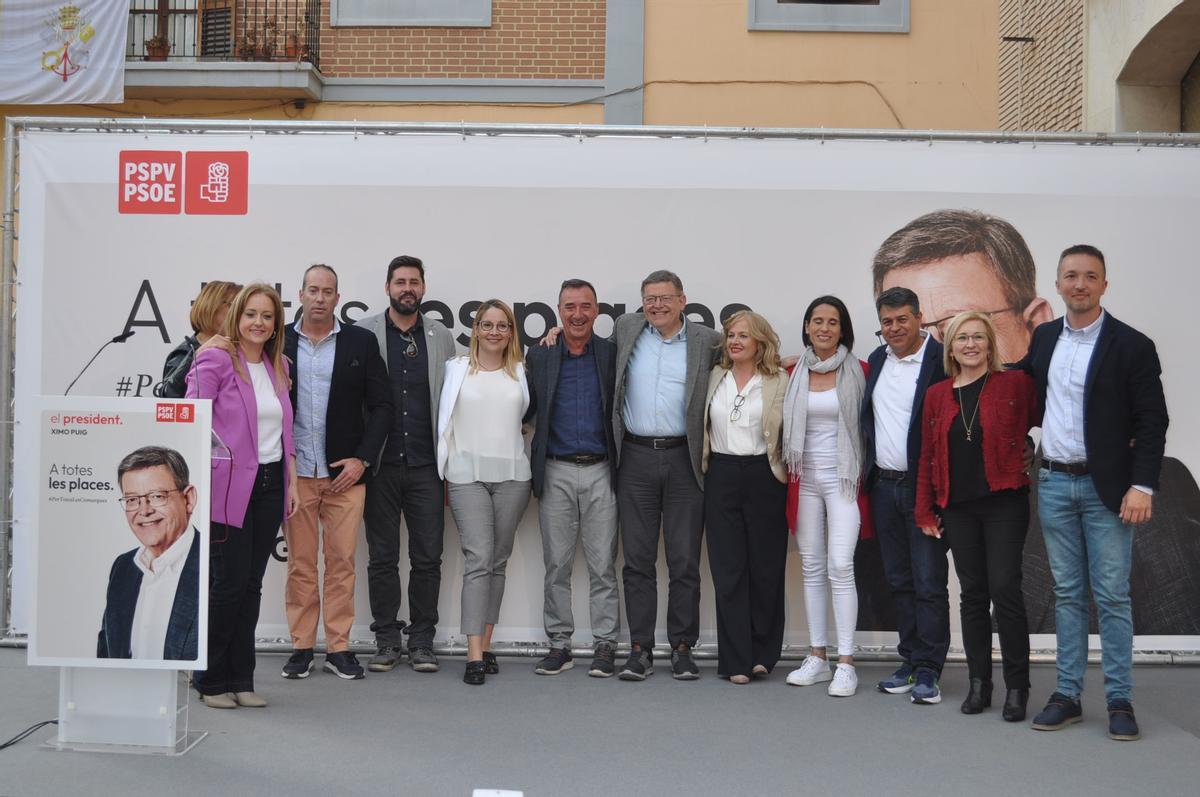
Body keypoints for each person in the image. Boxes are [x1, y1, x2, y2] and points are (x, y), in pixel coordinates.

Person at [872, 210, 1199, 639]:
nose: (945, 347)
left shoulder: (1161, 500)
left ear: (1034, 322)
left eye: (961, 325)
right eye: (916, 329)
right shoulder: (891, 383)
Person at [1019, 245, 1168, 742]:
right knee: (1067, 594)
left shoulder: (1132, 345)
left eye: (1090, 276)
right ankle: (1067, 695)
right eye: (1070, 276)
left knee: (1111, 597)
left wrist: (1141, 484)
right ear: (1057, 285)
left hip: (1110, 489)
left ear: (1105, 284)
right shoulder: (1043, 339)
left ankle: (1119, 700)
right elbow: (1018, 392)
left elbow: (1152, 421)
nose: (1079, 284)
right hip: (1055, 483)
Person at [915, 312, 1038, 721]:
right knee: (972, 595)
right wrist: (924, 507)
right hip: (958, 506)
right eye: (961, 338)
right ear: (950, 347)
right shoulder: (937, 394)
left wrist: (1032, 451)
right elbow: (928, 456)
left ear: (990, 344)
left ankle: (1017, 687)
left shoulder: (1015, 384)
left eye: (978, 337)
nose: (970, 344)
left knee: (1005, 588)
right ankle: (979, 683)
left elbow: (1047, 422)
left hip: (1004, 502)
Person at [187, 283, 298, 709]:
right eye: (250, 313)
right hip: (228, 487)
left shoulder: (279, 364)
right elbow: (192, 419)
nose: (258, 322)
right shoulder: (214, 358)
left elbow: (285, 431)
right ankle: (210, 679)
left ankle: (242, 678)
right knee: (227, 586)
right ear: (237, 317)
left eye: (266, 316)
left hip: (271, 485)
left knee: (251, 585)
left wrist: (290, 482)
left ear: (276, 324)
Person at [280, 264, 392, 681]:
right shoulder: (279, 341)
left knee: (342, 562)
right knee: (301, 565)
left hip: (346, 476)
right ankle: (301, 647)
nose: (321, 297)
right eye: (313, 290)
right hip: (296, 475)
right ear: (301, 294)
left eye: (328, 291)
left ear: (338, 298)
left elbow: (381, 406)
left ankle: (339, 647)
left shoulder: (360, 342)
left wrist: (363, 458)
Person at [613, 270, 722, 681]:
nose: (656, 305)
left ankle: (682, 647)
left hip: (684, 460)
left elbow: (747, 360)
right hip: (636, 459)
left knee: (684, 560)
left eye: (664, 298)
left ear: (682, 300)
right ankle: (640, 648)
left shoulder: (706, 340)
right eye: (649, 298)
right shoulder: (627, 328)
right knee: (637, 560)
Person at [359, 256, 457, 674]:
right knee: (382, 557)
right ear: (387, 287)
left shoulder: (441, 336)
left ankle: (421, 642)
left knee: (427, 558)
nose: (407, 289)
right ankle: (385, 639)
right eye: (400, 282)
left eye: (414, 282)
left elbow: (458, 394)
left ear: (423, 287)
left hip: (425, 467)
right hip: (379, 466)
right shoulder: (363, 334)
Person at [525, 279, 621, 677]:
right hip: (557, 469)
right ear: (558, 311)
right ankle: (559, 644)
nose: (577, 314)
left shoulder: (612, 354)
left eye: (585, 306)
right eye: (569, 307)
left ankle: (604, 645)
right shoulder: (540, 355)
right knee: (557, 566)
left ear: (597, 311)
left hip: (602, 469)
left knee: (603, 566)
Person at [860, 286, 950, 704]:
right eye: (887, 322)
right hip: (884, 485)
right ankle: (911, 661)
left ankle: (931, 668)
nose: (894, 328)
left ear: (920, 319)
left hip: (924, 488)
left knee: (929, 581)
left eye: (902, 320)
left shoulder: (943, 359)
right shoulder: (877, 360)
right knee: (898, 580)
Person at [437, 299, 532, 685]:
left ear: (511, 331)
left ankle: (487, 644)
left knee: (497, 560)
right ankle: (473, 652)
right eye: (486, 324)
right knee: (478, 558)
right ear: (475, 329)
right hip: (466, 475)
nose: (494, 332)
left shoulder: (522, 372)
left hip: (513, 476)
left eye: (502, 325)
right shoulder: (456, 369)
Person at [782, 297, 865, 698]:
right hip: (805, 479)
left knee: (840, 565)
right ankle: (817, 656)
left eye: (833, 322)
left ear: (843, 329)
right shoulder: (791, 372)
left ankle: (846, 663)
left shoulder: (861, 371)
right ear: (807, 327)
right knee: (812, 567)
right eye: (817, 321)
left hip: (844, 480)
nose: (825, 328)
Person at [701, 310, 788, 685]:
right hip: (720, 474)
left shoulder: (779, 380)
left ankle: (763, 655)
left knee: (765, 569)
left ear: (760, 342)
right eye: (731, 335)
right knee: (728, 570)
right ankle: (736, 659)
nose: (735, 341)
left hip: (764, 476)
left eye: (743, 336)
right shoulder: (713, 377)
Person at [98, 446, 201, 661]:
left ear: (188, 499)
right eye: (132, 500)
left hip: (185, 692)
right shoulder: (123, 566)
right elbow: (107, 649)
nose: (144, 510)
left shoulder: (212, 564)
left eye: (157, 496)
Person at [155, 281, 240, 398]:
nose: (240, 313)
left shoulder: (242, 348)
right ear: (211, 306)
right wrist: (197, 354)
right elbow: (168, 397)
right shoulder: (184, 352)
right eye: (233, 305)